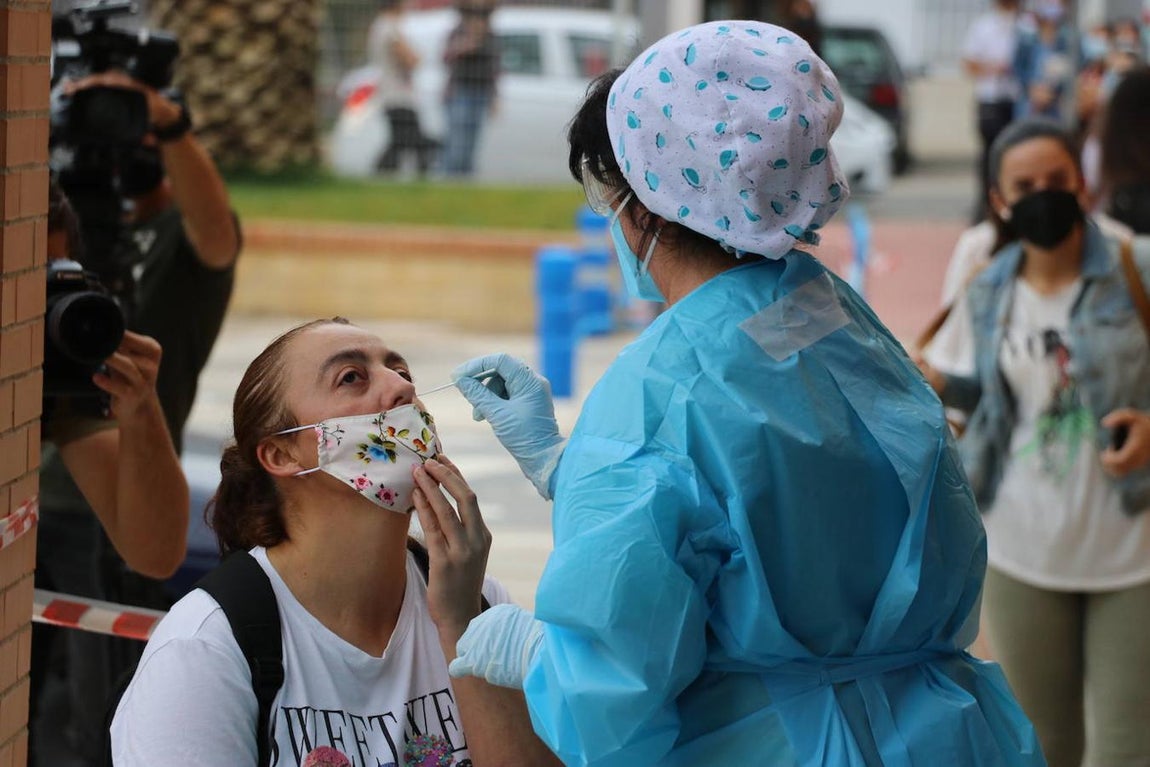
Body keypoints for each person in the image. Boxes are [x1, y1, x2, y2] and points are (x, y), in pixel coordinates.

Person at [446, 21, 1044, 766]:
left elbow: (609, 704)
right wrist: (572, 472)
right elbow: (789, 487)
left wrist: (535, 652)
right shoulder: (831, 312)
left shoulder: (644, 402)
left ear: (643, 207)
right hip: (944, 734)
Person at [109, 317, 562, 766]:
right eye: (352, 378)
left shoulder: (479, 603)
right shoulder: (204, 649)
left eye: (403, 373)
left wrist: (465, 629)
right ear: (282, 454)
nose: (402, 389)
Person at [916, 118, 1150, 767]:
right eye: (1026, 185)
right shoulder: (987, 285)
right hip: (1021, 549)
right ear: (999, 199)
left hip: (1134, 553)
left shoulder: (1136, 265)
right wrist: (941, 384)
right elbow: (994, 396)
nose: (1044, 194)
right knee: (1040, 744)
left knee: (1128, 746)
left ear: (1083, 182)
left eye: (1058, 180)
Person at [33, 69, 242, 763]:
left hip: (87, 519)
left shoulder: (58, 364)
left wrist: (141, 409)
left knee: (96, 705)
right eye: (37, 276)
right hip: (49, 513)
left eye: (67, 275)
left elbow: (154, 547)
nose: (57, 299)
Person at [30, 181, 191, 762]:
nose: (37, 300)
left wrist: (141, 410)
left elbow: (153, 550)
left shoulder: (51, 386)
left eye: (51, 276)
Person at [963, 0, 1023, 222]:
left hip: (1017, 101)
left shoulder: (1025, 24)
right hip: (991, 100)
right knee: (990, 157)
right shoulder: (984, 25)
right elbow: (968, 63)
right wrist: (993, 68)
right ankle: (986, 211)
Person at [369, 0, 439, 176]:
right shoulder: (389, 28)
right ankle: (383, 173)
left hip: (393, 93)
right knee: (411, 140)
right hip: (397, 94)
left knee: (401, 140)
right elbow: (410, 59)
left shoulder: (381, 26)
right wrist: (416, 57)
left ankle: (384, 175)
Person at [440, 0, 499, 177]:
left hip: (480, 93)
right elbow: (445, 58)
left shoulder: (490, 37)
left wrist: (494, 97)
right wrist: (465, 45)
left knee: (472, 142)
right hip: (461, 92)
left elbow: (494, 69)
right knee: (457, 141)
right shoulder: (457, 34)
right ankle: (450, 177)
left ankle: (465, 179)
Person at [1013, 1, 1073, 120]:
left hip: (1056, 107)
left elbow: (1072, 72)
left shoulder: (1068, 42)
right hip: (1029, 105)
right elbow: (1017, 69)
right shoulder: (1026, 40)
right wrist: (1032, 89)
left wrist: (1052, 94)